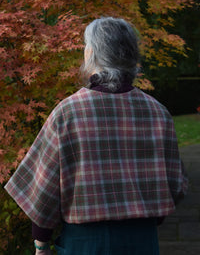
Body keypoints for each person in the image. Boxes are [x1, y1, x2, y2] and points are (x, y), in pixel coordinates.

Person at [5, 17, 188, 255]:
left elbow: (43, 190)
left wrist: (41, 244)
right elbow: (176, 185)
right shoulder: (157, 112)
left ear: (90, 53)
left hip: (84, 244)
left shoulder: (68, 112)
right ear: (131, 56)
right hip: (142, 240)